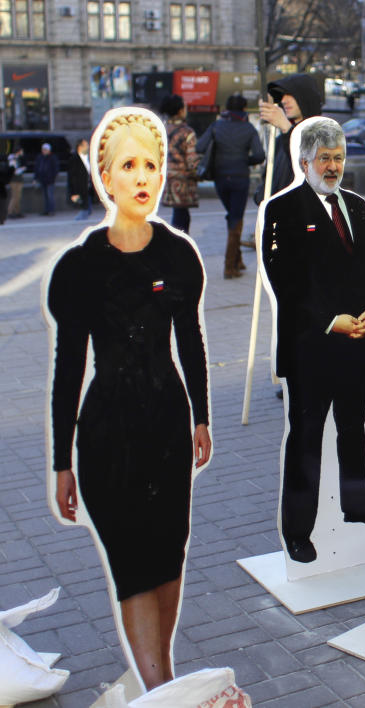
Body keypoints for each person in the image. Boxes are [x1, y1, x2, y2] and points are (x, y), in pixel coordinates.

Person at [46, 108, 211, 689]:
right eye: (127, 166)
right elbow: (68, 371)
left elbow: (190, 340)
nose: (142, 177)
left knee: (169, 555)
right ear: (105, 177)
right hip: (107, 437)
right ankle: (163, 690)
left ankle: (160, 683)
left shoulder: (177, 255)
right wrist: (62, 462)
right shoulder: (80, 268)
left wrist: (204, 417)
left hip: (168, 428)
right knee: (134, 565)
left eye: (151, 164)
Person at [261, 118, 365, 565]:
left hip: (356, 343)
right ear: (304, 162)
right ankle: (298, 530)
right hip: (310, 349)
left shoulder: (356, 206)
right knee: (306, 440)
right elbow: (286, 284)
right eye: (324, 159)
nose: (332, 166)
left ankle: (357, 504)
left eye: (337, 157)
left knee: (354, 430)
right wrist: (329, 320)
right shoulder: (282, 210)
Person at [197, 93, 265, 278]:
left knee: (232, 217)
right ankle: (229, 266)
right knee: (236, 218)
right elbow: (260, 155)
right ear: (244, 109)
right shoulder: (249, 128)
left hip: (220, 178)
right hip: (240, 178)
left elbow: (199, 147)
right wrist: (245, 160)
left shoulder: (216, 126)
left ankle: (238, 259)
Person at [258, 73, 325, 199]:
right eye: (283, 95)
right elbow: (268, 180)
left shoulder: (322, 135)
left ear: (305, 97)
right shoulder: (280, 140)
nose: (284, 100)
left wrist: (286, 127)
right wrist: (262, 196)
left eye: (290, 95)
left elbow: (309, 170)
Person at [160, 94, 200, 234]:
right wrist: (199, 173)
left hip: (166, 180)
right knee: (182, 218)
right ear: (180, 110)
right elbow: (192, 161)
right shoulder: (187, 132)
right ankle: (180, 250)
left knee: (179, 215)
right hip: (183, 182)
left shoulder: (160, 131)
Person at [67, 138, 93, 221]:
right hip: (80, 189)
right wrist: (74, 193)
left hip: (88, 188)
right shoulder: (74, 160)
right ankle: (76, 222)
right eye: (86, 145)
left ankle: (79, 222)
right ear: (80, 147)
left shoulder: (88, 158)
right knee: (85, 209)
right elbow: (72, 177)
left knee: (88, 209)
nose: (88, 147)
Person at [35, 142, 59, 216]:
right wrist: (36, 178)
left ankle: (51, 210)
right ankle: (46, 210)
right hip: (43, 179)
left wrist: (52, 177)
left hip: (50, 180)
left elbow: (55, 169)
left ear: (49, 150)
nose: (44, 151)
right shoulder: (40, 157)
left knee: (50, 195)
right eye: (43, 149)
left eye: (45, 149)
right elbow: (37, 168)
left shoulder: (52, 158)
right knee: (45, 196)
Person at [8, 147, 25, 218]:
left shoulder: (18, 158)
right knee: (14, 197)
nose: (22, 152)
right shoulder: (12, 159)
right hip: (14, 181)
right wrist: (22, 169)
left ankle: (17, 212)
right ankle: (10, 212)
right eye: (21, 151)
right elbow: (14, 171)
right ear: (18, 151)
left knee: (18, 197)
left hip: (19, 180)